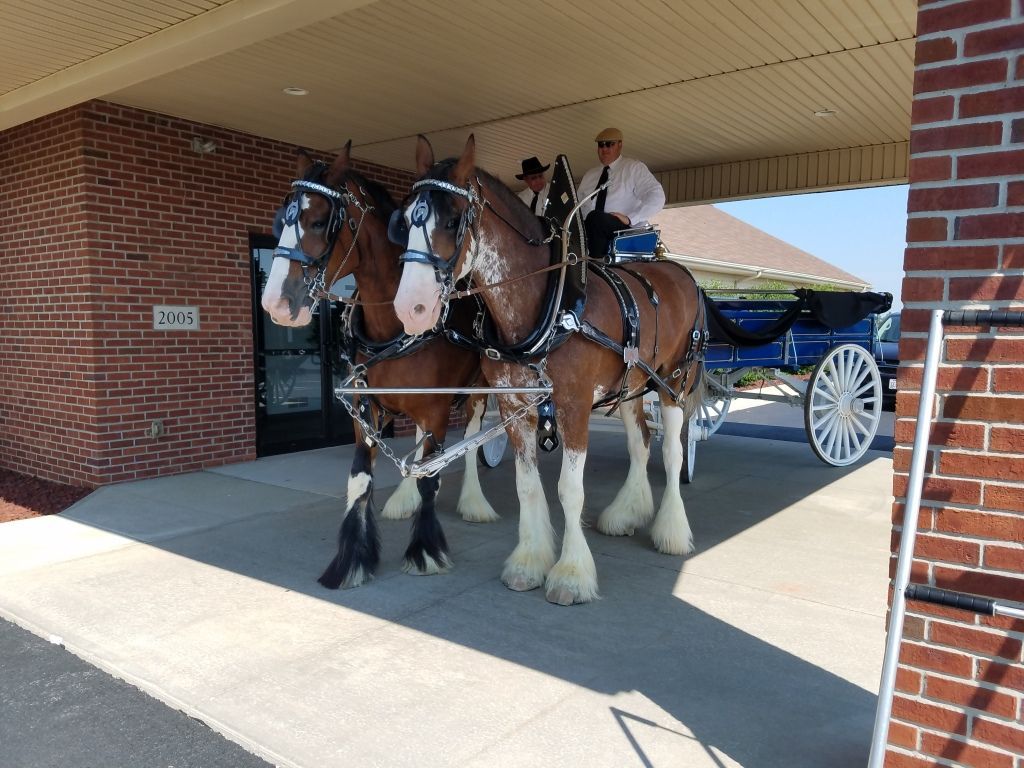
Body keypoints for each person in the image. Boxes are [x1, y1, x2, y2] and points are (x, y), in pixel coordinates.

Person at [577, 127, 665, 257]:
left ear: (620, 145)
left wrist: (630, 218)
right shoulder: (590, 175)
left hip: (624, 231)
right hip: (592, 229)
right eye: (601, 145)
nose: (604, 149)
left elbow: (657, 196)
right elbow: (578, 205)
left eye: (609, 144)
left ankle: (594, 264)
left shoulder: (633, 168)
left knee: (595, 218)